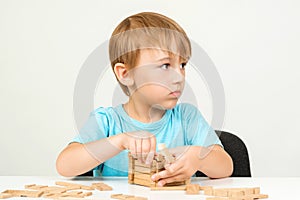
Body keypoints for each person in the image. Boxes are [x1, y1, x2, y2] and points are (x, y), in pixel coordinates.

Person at [56, 12, 233, 186]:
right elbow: (65, 165)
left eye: (182, 65)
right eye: (165, 65)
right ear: (125, 74)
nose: (179, 76)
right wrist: (119, 141)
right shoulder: (107, 121)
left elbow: (226, 167)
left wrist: (198, 157)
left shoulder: (187, 117)